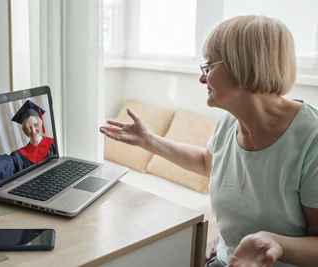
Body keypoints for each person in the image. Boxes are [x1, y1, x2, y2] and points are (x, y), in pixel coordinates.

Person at [100, 15, 318, 267]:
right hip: (227, 261)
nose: (203, 79)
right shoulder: (229, 121)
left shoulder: (310, 138)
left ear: (242, 66)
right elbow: (207, 163)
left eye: (209, 66)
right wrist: (149, 141)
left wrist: (276, 243)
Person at [0, 100, 56, 185]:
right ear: (25, 131)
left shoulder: (54, 144)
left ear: (40, 124)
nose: (33, 131)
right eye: (29, 128)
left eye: (36, 125)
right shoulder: (19, 156)